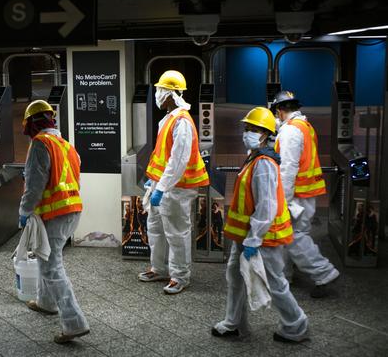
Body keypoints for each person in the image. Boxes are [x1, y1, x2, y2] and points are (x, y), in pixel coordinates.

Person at [212, 106, 308, 343]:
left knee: (275, 282)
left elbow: (266, 206)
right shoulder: (254, 157)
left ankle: (296, 326)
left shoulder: (264, 163)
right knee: (235, 276)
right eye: (247, 128)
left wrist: (254, 239)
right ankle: (234, 323)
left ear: (265, 134)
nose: (248, 133)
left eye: (253, 129)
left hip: (263, 237)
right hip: (245, 236)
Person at [17, 99, 90, 344]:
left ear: (31, 125)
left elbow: (35, 185)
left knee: (52, 266)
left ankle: (74, 322)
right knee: (45, 255)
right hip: (72, 209)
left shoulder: (40, 144)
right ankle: (46, 302)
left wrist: (24, 210)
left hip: (54, 214)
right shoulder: (66, 145)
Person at [137, 70, 210, 294]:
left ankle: (180, 276)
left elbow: (178, 161)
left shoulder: (183, 122)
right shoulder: (167, 120)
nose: (157, 94)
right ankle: (159, 268)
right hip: (162, 185)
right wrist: (153, 182)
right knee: (156, 228)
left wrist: (162, 187)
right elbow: (163, 155)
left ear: (170, 94)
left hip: (178, 188)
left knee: (177, 233)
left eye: (160, 90)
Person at [271, 91, 339, 298]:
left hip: (297, 193)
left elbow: (288, 167)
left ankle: (323, 272)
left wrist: (282, 197)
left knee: (293, 236)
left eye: (277, 112)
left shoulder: (291, 131)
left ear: (281, 111)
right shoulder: (304, 126)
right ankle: (285, 274)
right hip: (306, 191)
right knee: (290, 234)